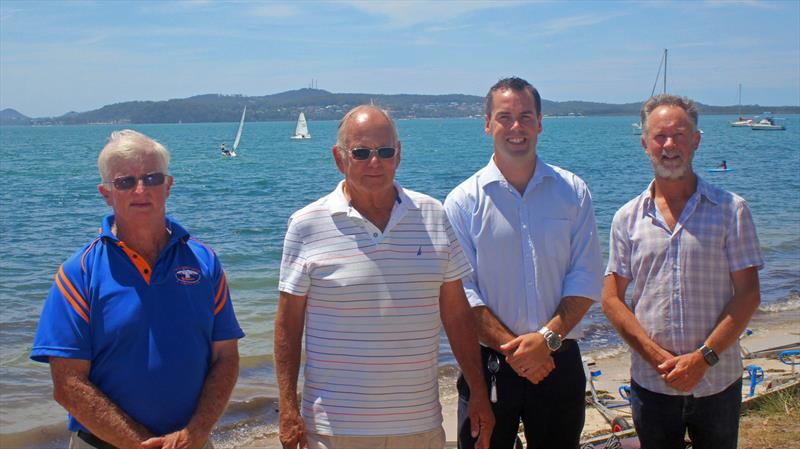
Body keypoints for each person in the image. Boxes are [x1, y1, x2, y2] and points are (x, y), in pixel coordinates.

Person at [275, 105, 494, 449]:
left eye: (385, 151)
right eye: (361, 153)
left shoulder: (434, 216)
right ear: (339, 158)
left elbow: (457, 316)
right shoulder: (306, 225)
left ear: (399, 154)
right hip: (334, 430)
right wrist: (288, 408)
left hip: (419, 426)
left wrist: (479, 393)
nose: (374, 162)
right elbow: (288, 325)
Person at [31, 129, 245, 449]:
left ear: (168, 185)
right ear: (106, 193)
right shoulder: (79, 273)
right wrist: (141, 444)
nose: (140, 189)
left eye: (152, 178)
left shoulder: (205, 263)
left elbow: (226, 357)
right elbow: (67, 383)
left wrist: (197, 432)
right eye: (125, 182)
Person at [444, 77, 603, 449]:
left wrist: (546, 340)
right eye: (505, 117)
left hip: (558, 360)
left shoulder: (573, 191)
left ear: (540, 123)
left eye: (525, 116)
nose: (516, 127)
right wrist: (516, 350)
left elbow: (586, 277)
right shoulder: (462, 202)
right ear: (487, 124)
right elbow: (462, 294)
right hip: (488, 366)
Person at [602, 94, 763, 449]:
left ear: (696, 141)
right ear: (645, 144)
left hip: (718, 380)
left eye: (679, 135)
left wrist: (703, 358)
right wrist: (657, 356)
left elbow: (748, 294)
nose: (669, 145)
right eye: (660, 136)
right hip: (652, 382)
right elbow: (612, 298)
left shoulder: (731, 210)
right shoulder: (626, 218)